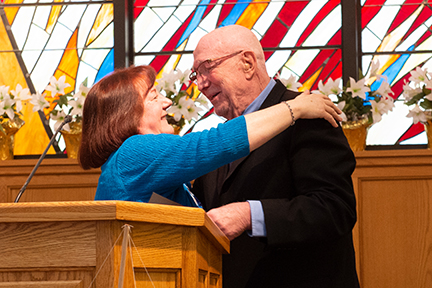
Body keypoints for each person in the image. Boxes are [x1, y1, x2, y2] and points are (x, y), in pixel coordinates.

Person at [191, 25, 360, 288]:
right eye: (195, 74)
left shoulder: (308, 114)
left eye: (207, 68)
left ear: (247, 63)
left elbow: (334, 209)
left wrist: (250, 214)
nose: (200, 84)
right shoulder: (219, 139)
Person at [78, 65, 342, 207]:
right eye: (155, 97)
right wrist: (295, 108)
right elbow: (209, 145)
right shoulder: (133, 152)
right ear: (125, 114)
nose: (168, 103)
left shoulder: (130, 161)